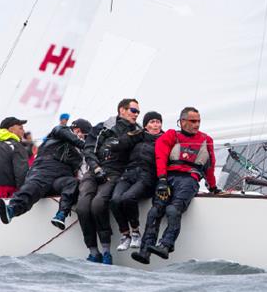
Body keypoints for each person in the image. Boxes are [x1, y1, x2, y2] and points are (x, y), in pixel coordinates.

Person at [131, 107, 221, 265]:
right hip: (168, 178)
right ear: (183, 121)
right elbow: (160, 157)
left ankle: (166, 245)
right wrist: (162, 179)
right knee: (154, 212)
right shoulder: (172, 135)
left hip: (189, 180)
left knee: (173, 210)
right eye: (193, 121)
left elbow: (210, 166)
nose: (197, 124)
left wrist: (213, 187)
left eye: (199, 121)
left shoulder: (206, 140)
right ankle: (144, 251)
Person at [76, 98, 143, 265]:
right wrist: (96, 168)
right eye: (133, 111)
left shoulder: (138, 131)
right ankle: (93, 252)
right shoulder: (103, 126)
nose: (136, 115)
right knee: (82, 207)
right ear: (122, 110)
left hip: (116, 173)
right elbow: (89, 149)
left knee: (98, 204)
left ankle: (106, 252)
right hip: (95, 170)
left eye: (138, 112)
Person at [0, 118, 90, 230]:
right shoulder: (61, 131)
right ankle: (11, 210)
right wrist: (84, 145)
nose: (84, 139)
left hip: (59, 179)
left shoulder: (81, 153)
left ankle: (61, 215)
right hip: (43, 171)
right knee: (34, 186)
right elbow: (60, 131)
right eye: (85, 136)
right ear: (78, 130)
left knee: (72, 183)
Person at [109, 111, 163, 251]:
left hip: (147, 176)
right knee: (114, 200)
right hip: (129, 173)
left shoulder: (164, 139)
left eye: (158, 121)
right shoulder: (138, 136)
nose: (155, 124)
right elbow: (118, 146)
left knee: (128, 198)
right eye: (152, 122)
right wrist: (130, 135)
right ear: (146, 125)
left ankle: (135, 232)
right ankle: (125, 235)